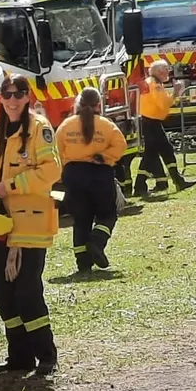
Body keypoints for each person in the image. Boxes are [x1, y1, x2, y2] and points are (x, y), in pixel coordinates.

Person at [0, 74, 63, 377]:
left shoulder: (40, 129)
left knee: (27, 294)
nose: (13, 100)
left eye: (19, 94)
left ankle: (46, 355)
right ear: (1, 98)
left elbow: (51, 170)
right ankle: (19, 357)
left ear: (27, 97)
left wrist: (14, 185)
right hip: (2, 227)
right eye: (7, 94)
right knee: (4, 298)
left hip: (31, 225)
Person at [57, 87, 127, 273]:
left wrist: (65, 170)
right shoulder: (107, 125)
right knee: (107, 215)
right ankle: (97, 241)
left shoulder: (66, 125)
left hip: (73, 175)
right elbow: (121, 145)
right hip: (99, 174)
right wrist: (105, 156)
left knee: (81, 220)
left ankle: (83, 263)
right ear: (99, 105)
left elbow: (55, 152)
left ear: (77, 104)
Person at [134, 60, 196, 196]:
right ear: (157, 71)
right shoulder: (154, 84)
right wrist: (175, 93)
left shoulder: (153, 82)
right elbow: (163, 104)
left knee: (160, 152)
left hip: (151, 121)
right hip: (151, 122)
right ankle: (142, 185)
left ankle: (172, 181)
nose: (168, 72)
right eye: (165, 69)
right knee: (152, 154)